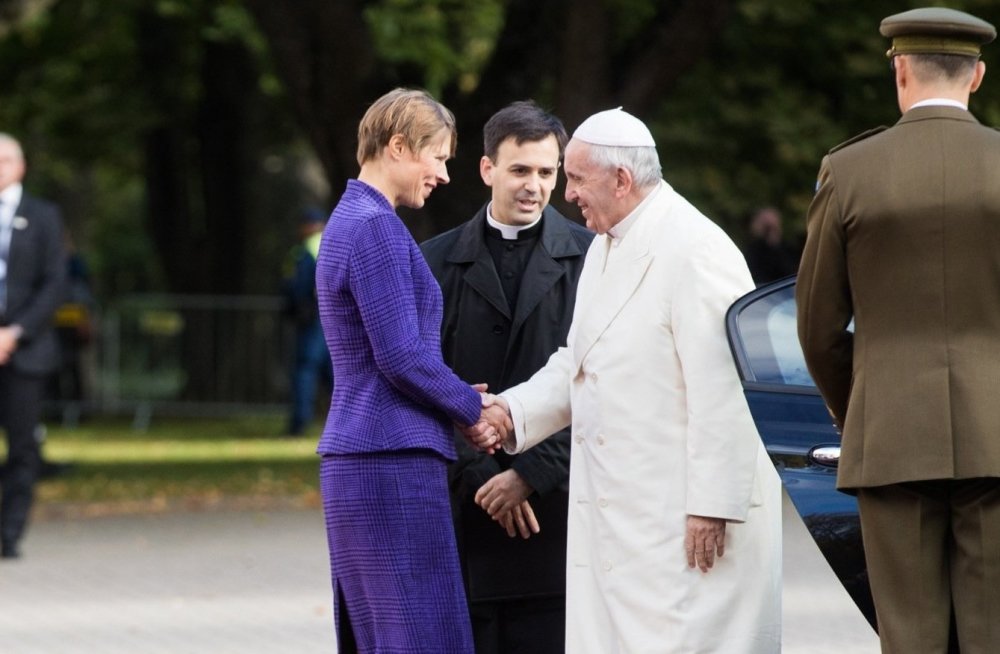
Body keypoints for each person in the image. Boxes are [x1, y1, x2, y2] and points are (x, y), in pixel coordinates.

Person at [482, 108, 782, 653]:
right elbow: (579, 359)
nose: (567, 194)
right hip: (625, 518)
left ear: (621, 180)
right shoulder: (605, 243)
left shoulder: (696, 249)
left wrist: (711, 506)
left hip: (684, 518)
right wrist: (510, 412)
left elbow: (726, 392)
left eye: (575, 178)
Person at [796, 8, 1000, 653]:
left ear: (900, 68)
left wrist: (860, 405)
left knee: (909, 638)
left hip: (890, 435)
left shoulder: (850, 170)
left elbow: (818, 326)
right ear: (978, 76)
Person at [315, 88, 507, 653]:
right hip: (389, 461)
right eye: (439, 156)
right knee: (419, 638)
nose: (444, 174)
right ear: (398, 146)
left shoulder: (350, 219)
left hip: (365, 457)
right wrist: (473, 409)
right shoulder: (375, 226)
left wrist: (450, 395)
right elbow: (400, 357)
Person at [420, 101, 593, 653]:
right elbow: (420, 378)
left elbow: (608, 383)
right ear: (487, 169)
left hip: (561, 512)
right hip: (466, 511)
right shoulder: (433, 261)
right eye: (520, 170)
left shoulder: (597, 261)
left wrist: (531, 473)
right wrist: (483, 475)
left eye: (548, 172)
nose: (535, 187)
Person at [0, 133, 67, 560]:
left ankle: (8, 533)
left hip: (24, 351)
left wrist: (14, 332)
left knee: (22, 445)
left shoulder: (43, 216)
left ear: (21, 167)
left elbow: (55, 283)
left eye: (4, 160)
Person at [282, 207, 332, 436]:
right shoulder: (332, 243)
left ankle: (299, 423)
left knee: (305, 369)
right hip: (329, 319)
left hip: (313, 319)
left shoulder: (308, 248)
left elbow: (299, 287)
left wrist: (294, 308)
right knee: (334, 373)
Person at [743, 205, 799, 285]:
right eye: (767, 226)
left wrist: (775, 246)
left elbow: (791, 272)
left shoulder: (788, 248)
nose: (771, 230)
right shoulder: (753, 252)